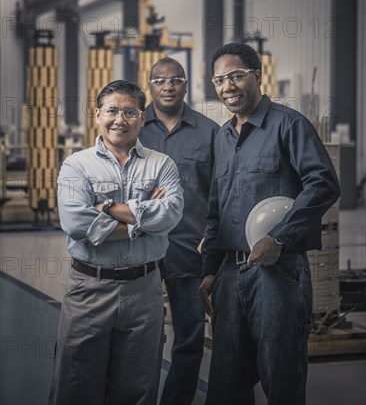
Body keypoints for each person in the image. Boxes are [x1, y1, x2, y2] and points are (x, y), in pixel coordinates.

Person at [199, 43, 340, 405]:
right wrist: (210, 269)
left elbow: (323, 183)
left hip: (277, 272)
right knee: (226, 382)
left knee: (282, 378)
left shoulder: (288, 125)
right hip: (230, 274)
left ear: (257, 76)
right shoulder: (222, 137)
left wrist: (278, 237)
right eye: (219, 79)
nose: (227, 86)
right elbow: (218, 206)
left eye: (235, 76)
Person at [48, 80, 184, 405]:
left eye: (129, 111)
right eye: (112, 110)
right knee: (75, 387)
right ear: (97, 114)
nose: (119, 119)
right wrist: (143, 221)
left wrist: (105, 208)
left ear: (142, 117)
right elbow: (75, 222)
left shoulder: (162, 165)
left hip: (145, 291)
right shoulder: (76, 165)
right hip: (88, 291)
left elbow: (171, 215)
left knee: (137, 390)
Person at [139, 58, 219, 405]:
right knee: (141, 338)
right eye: (160, 80)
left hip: (190, 249)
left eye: (175, 80)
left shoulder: (210, 132)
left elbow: (220, 192)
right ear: (150, 85)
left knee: (189, 338)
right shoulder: (132, 125)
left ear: (186, 85)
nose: (168, 86)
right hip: (140, 250)